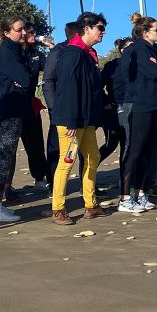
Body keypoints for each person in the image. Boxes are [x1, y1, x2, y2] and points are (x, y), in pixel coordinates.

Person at [50, 12, 108, 225]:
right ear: (86, 29)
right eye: (100, 28)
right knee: (66, 162)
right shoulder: (71, 54)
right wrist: (71, 121)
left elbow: (90, 89)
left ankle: (91, 204)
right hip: (70, 121)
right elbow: (66, 89)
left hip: (86, 119)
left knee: (93, 157)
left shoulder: (86, 54)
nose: (103, 32)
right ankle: (58, 208)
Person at [0, 16, 33, 222]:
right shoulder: (8, 50)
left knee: (5, 155)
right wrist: (25, 80)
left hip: (11, 107)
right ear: (7, 32)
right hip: (10, 109)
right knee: (5, 156)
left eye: (24, 30)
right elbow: (26, 78)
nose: (23, 33)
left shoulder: (14, 50)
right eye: (18, 30)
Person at [118, 13, 157, 212]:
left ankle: (141, 192)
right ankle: (124, 197)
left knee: (149, 151)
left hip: (156, 104)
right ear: (145, 32)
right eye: (156, 29)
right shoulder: (138, 49)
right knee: (135, 151)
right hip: (140, 105)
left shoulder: (154, 50)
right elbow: (155, 72)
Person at [40, 21, 79, 191]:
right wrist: (54, 108)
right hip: (60, 108)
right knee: (56, 145)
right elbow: (48, 81)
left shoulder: (84, 52)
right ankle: (52, 181)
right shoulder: (58, 52)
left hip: (79, 108)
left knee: (82, 147)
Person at [17, 24, 54, 192]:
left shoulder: (36, 54)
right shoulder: (13, 51)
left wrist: (51, 47)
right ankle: (0, 186)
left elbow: (52, 67)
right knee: (6, 145)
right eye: (30, 32)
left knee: (35, 143)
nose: (33, 34)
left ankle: (39, 177)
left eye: (33, 32)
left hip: (30, 104)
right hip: (12, 102)